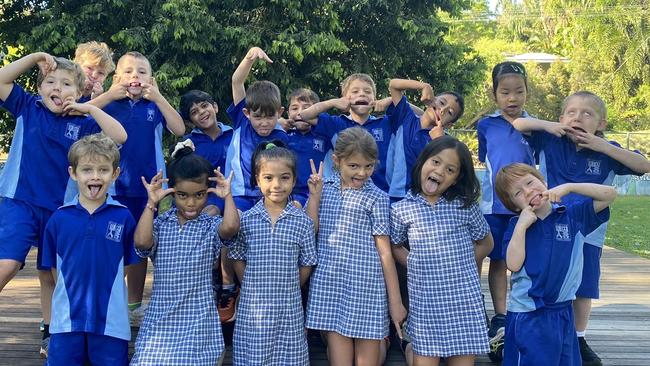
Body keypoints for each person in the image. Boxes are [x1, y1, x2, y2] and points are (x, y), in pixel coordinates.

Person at [0, 52, 127, 358]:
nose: (57, 87)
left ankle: (50, 330)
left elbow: (119, 136)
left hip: (60, 210)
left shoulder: (82, 123)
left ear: (79, 92)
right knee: (7, 265)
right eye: (50, 82)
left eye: (67, 83)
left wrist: (88, 109)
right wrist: (34, 58)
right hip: (19, 201)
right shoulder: (28, 106)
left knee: (52, 274)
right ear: (40, 88)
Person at [512, 91, 650, 365]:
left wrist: (604, 147)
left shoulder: (608, 150)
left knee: (584, 285)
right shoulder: (551, 139)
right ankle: (548, 325)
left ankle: (579, 336)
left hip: (589, 229)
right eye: (571, 112)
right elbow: (517, 124)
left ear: (600, 123)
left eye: (587, 114)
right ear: (562, 119)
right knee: (552, 277)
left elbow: (644, 164)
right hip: (550, 226)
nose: (578, 117)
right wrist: (548, 125)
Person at [89, 51, 186, 325]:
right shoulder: (108, 104)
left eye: (142, 72)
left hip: (148, 190)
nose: (135, 76)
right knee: (111, 243)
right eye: (129, 71)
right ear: (117, 78)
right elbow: (80, 113)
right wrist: (108, 95)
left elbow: (179, 129)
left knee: (140, 246)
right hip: (113, 188)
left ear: (151, 79)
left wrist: (158, 97)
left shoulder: (153, 106)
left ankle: (133, 304)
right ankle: (105, 300)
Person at [495, 163, 616, 366]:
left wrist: (569, 187)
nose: (528, 191)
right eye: (518, 192)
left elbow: (609, 194)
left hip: (564, 311)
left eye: (530, 182)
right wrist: (523, 225)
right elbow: (513, 264)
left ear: (542, 180)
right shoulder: (516, 226)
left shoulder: (573, 215)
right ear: (515, 205)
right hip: (529, 314)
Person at [306, 127, 407, 366]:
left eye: (369, 166)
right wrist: (314, 197)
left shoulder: (377, 197)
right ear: (336, 161)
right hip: (330, 284)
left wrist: (395, 302)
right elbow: (310, 232)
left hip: (367, 288)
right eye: (354, 166)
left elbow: (385, 252)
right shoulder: (324, 189)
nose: (362, 172)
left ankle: (384, 341)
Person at [130, 146, 239, 365]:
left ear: (208, 191)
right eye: (182, 195)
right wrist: (151, 203)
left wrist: (227, 196)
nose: (191, 203)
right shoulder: (161, 224)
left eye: (199, 195)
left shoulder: (210, 225)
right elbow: (141, 243)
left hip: (199, 319)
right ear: (171, 191)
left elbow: (231, 228)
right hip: (161, 319)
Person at [390, 136, 493, 366]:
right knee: (425, 360)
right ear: (423, 162)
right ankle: (410, 350)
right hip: (426, 303)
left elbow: (486, 243)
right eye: (435, 162)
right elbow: (395, 245)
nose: (440, 171)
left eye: (450, 169)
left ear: (457, 178)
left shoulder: (464, 206)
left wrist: (461, 264)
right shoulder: (402, 209)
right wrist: (414, 262)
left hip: (463, 302)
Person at [41, 134, 136, 366]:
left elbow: (127, 265)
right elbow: (52, 272)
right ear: (73, 173)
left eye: (103, 170)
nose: (95, 176)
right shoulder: (59, 219)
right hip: (65, 321)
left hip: (111, 321)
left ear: (115, 174)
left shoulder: (123, 217)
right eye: (87, 170)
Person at [228, 141, 319, 365]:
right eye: (268, 178)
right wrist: (248, 283)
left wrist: (292, 285)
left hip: (289, 307)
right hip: (254, 308)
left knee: (288, 356)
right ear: (258, 181)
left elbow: (307, 261)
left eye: (284, 177)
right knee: (254, 356)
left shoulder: (302, 223)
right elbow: (237, 256)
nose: (276, 184)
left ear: (294, 180)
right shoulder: (247, 220)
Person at [476, 61, 536, 357]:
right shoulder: (486, 125)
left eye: (519, 92)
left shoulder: (537, 127)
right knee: (498, 260)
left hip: (526, 205)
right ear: (494, 94)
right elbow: (486, 161)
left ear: (527, 93)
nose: (512, 99)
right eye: (505, 92)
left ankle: (520, 310)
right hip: (495, 206)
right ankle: (499, 314)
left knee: (523, 261)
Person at [178, 89, 237, 322]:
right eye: (194, 112)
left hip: (235, 194)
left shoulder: (235, 133)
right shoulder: (191, 143)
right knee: (207, 214)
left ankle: (228, 286)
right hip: (207, 197)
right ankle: (210, 283)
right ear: (190, 120)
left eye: (204, 106)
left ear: (215, 107)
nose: (202, 112)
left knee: (227, 220)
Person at [298, 73, 395, 194]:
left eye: (367, 91)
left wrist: (395, 101)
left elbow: (420, 115)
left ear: (374, 98)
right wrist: (333, 102)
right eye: (355, 91)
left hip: (381, 194)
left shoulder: (385, 123)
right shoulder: (336, 123)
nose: (362, 94)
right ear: (344, 98)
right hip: (345, 196)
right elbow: (305, 115)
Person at [226, 46, 289, 212]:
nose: (264, 123)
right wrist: (249, 58)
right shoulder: (242, 121)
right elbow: (237, 82)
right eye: (258, 117)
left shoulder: (282, 135)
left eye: (270, 117)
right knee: (234, 226)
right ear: (247, 113)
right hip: (241, 194)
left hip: (270, 196)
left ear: (279, 112)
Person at [386, 78, 465, 201]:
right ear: (432, 100)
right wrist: (424, 86)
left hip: (425, 199)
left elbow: (450, 171)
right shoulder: (406, 117)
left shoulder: (446, 142)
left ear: (449, 125)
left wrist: (440, 141)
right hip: (396, 194)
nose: (442, 110)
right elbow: (393, 85)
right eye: (442, 102)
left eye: (450, 112)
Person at [283, 88, 332, 207]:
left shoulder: (326, 136)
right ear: (288, 113)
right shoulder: (283, 136)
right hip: (286, 192)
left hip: (318, 192)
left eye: (306, 108)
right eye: (294, 108)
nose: (300, 112)